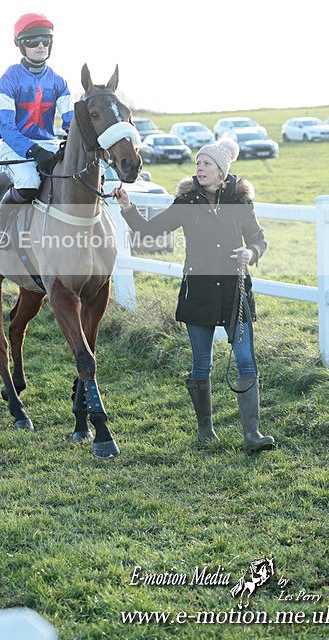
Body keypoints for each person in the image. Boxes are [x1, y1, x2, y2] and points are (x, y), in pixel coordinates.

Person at [112, 137, 275, 454]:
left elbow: (259, 239)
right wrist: (128, 208)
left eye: (207, 164)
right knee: (201, 364)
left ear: (221, 170)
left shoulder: (239, 203)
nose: (200, 168)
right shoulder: (186, 203)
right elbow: (149, 232)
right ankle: (205, 432)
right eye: (198, 163)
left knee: (246, 361)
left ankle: (252, 435)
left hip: (234, 292)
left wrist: (250, 252)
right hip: (197, 292)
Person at [0, 12, 73, 243]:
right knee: (30, 182)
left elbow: (71, 121)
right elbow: (5, 126)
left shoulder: (59, 81)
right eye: (33, 41)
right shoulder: (9, 79)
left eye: (46, 40)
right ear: (20, 45)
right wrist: (33, 150)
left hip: (49, 144)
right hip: (16, 147)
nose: (40, 46)